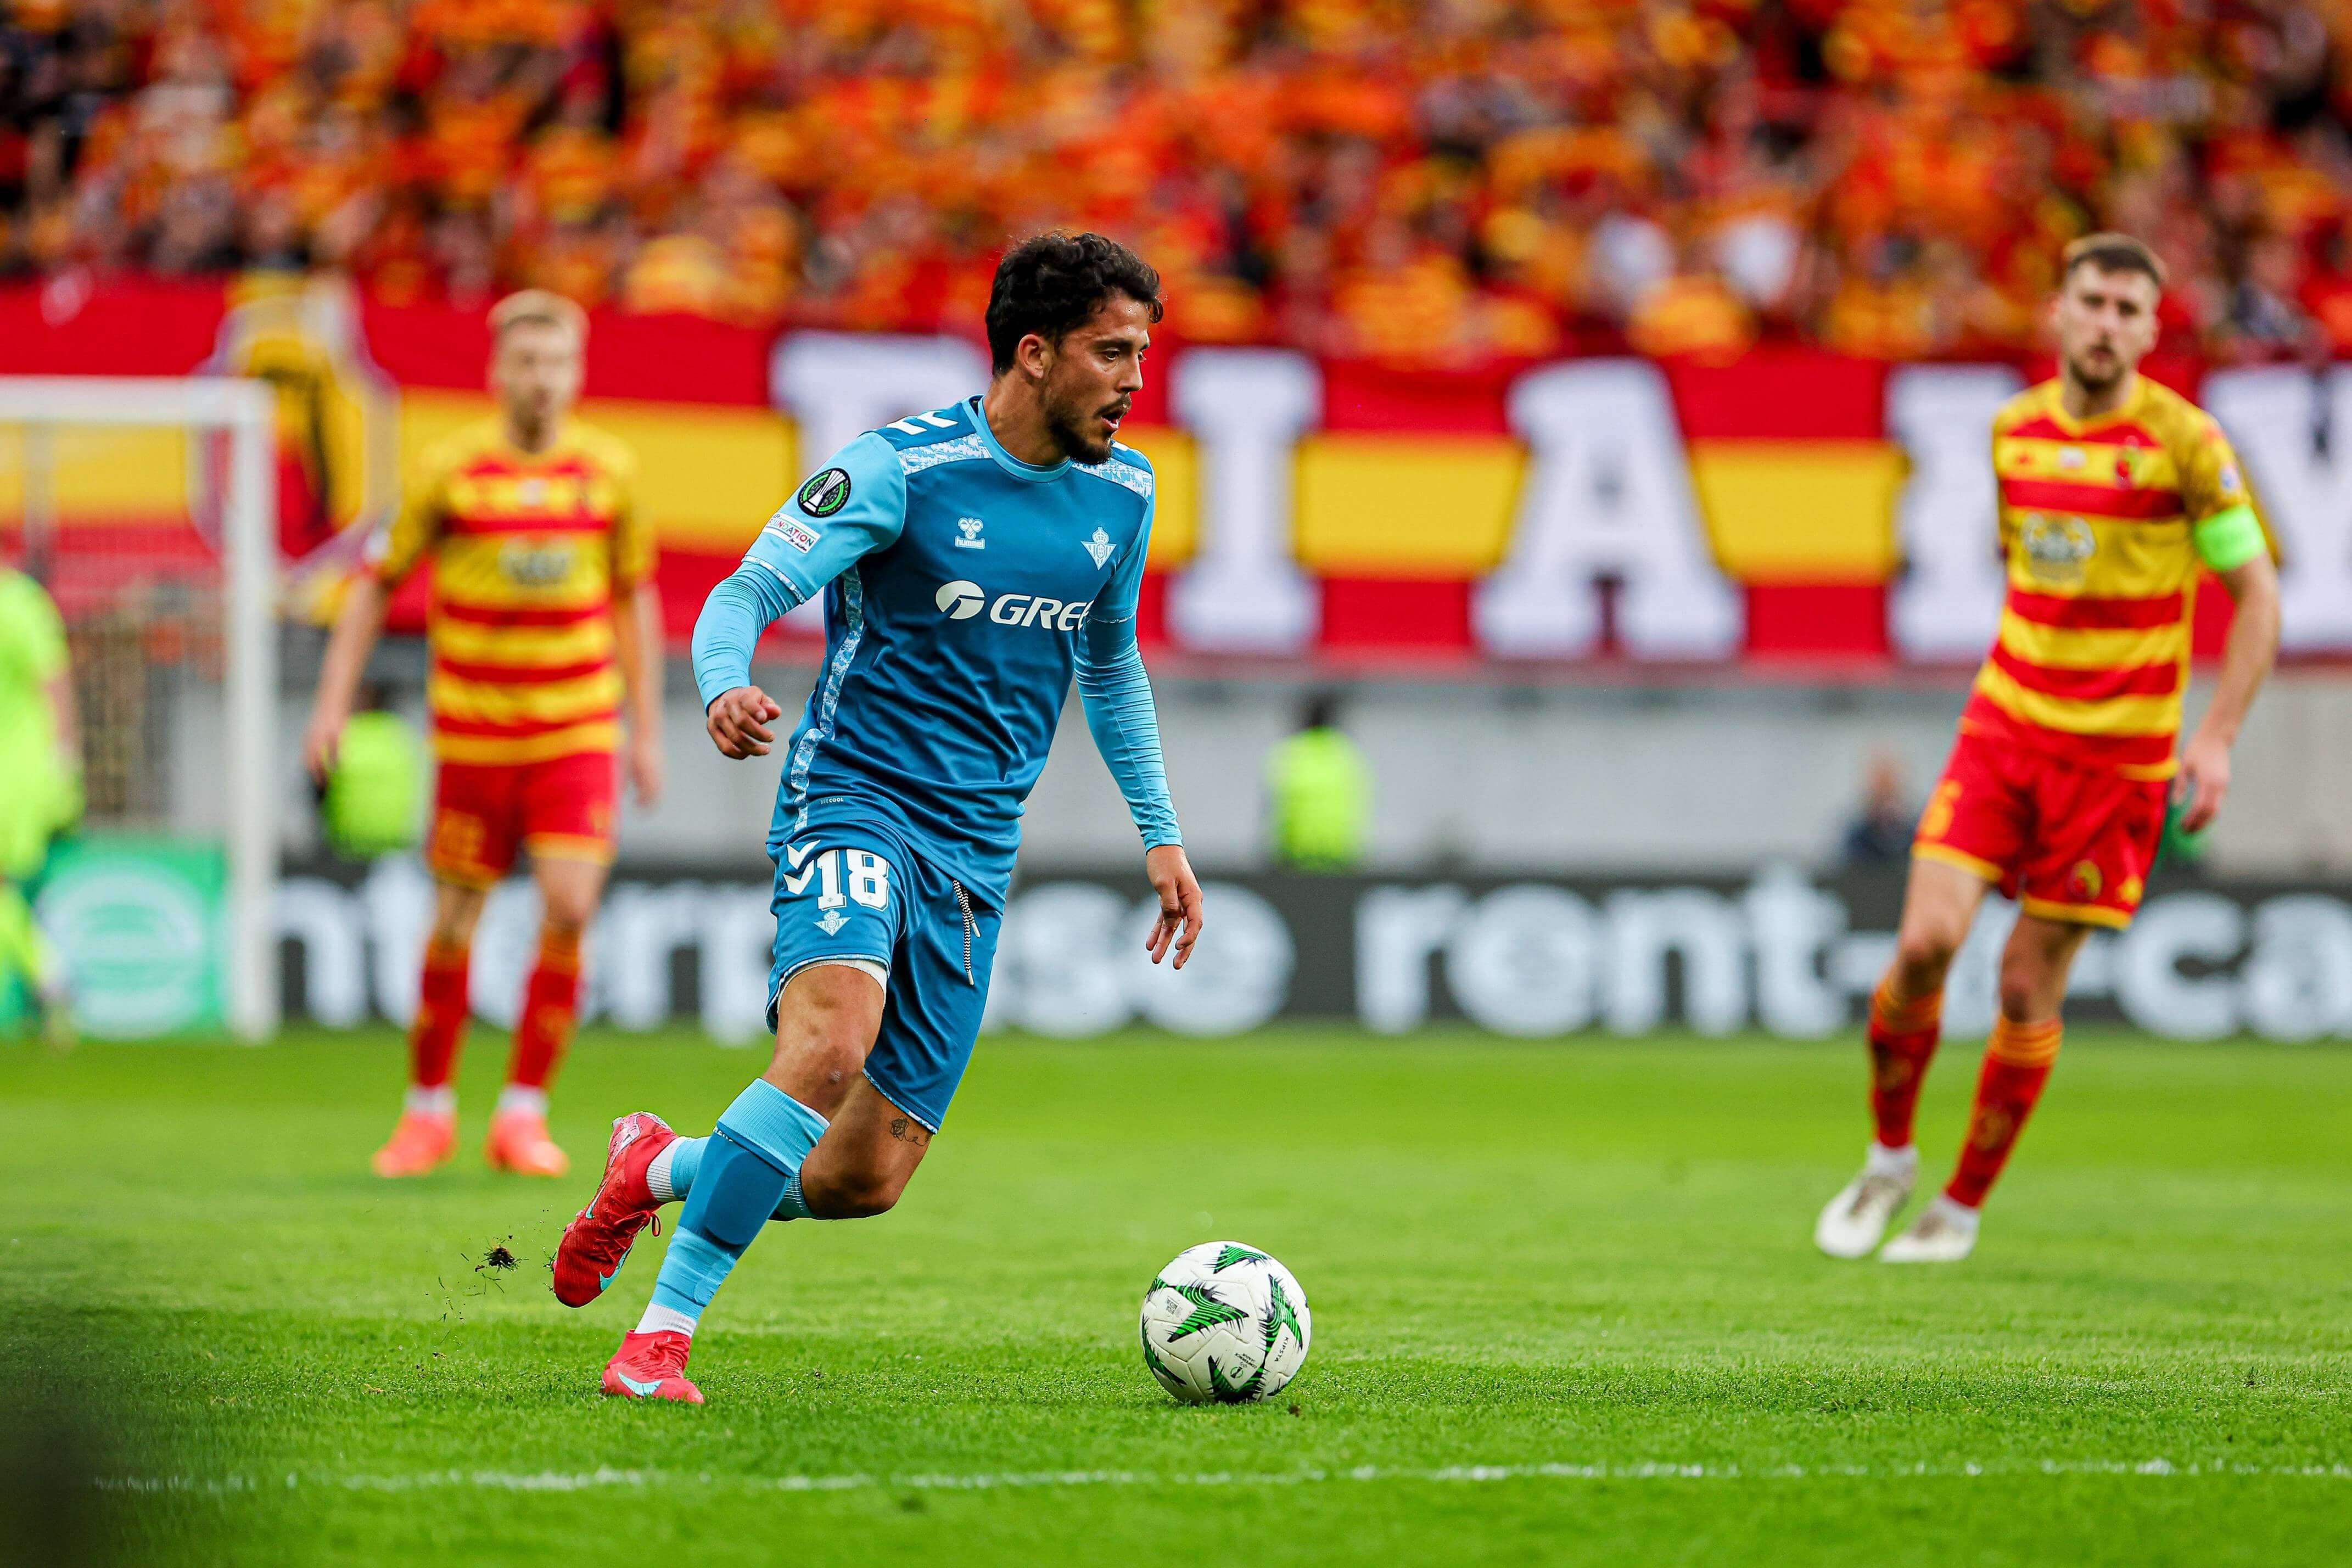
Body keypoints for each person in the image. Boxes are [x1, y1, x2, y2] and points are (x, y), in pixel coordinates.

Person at [549, 232, 1205, 1403]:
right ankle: (659, 1342)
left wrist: (1159, 831)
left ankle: (655, 1168)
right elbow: (745, 591)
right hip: (854, 798)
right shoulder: (902, 469)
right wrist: (723, 685)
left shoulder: (1124, 492)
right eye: (1113, 353)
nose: (1134, 379)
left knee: (863, 1180)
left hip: (974, 852)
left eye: (1142, 355)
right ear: (1035, 352)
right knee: (829, 1045)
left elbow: (1108, 665)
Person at [1815, 234, 2281, 1263]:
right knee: (1922, 946)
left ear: (2150, 331)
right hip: (2004, 730)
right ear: (2058, 312)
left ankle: (1959, 1204)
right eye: (2093, 302)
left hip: (2114, 766)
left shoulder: (2186, 446)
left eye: (2128, 309)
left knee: (2025, 987)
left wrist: (2214, 738)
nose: (2107, 323)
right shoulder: (2013, 433)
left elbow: (2256, 595)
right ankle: (1887, 1157)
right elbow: (2028, 566)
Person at [303, 289, 664, 1179]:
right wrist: (330, 706)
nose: (542, 379)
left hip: (576, 728)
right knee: (455, 919)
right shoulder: (450, 470)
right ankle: (427, 1111)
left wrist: (647, 730)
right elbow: (372, 584)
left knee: (570, 908)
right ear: (497, 372)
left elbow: (633, 599)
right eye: (527, 362)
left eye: (557, 363)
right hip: (473, 736)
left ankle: (522, 1115)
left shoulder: (609, 472)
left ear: (578, 373)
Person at [0, 561, 80, 1044]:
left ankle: (50, 976)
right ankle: (48, 979)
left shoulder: (18, 602)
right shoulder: (21, 601)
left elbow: (54, 681)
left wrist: (63, 757)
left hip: (17, 777)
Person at [1268, 690, 1369, 871]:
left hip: (1297, 859)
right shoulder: (1348, 754)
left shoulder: (1291, 753)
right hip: (1342, 859)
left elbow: (1278, 812)